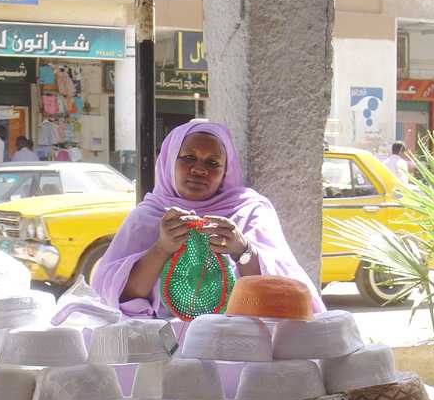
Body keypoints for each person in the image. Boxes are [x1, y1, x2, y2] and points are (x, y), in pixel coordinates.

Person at [91, 120, 326, 318]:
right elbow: (117, 295)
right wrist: (161, 248)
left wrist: (242, 250)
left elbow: (285, 291)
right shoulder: (148, 216)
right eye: (188, 158)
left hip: (241, 349)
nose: (199, 169)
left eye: (212, 163)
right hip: (162, 352)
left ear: (226, 171)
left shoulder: (250, 210)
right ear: (170, 161)